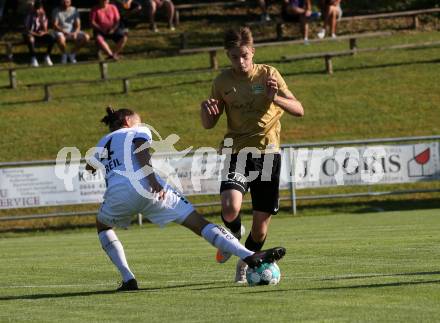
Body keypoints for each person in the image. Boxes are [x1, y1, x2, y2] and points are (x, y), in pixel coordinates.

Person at [86, 107, 286, 291]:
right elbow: (141, 150)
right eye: (138, 121)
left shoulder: (104, 141)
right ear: (128, 121)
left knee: (103, 226)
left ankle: (128, 278)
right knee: (199, 224)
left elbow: (90, 165)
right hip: (148, 187)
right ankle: (250, 255)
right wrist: (151, 180)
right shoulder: (138, 131)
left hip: (117, 194)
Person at [199, 27, 304, 283]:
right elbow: (208, 124)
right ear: (228, 56)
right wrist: (207, 113)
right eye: (234, 57)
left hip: (269, 155)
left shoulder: (269, 74)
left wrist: (275, 98)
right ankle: (232, 237)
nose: (241, 61)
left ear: (253, 51)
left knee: (260, 227)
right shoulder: (222, 82)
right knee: (230, 206)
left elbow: (299, 109)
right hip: (239, 152)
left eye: (244, 55)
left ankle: (244, 264)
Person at [23, 0, 55, 67]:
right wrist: (37, 34)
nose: (38, 11)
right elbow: (27, 30)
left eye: (39, 9)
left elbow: (46, 29)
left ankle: (47, 56)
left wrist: (43, 32)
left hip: (39, 34)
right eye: (36, 9)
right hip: (30, 34)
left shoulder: (43, 15)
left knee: (52, 38)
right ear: (33, 8)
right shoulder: (30, 15)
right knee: (31, 38)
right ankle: (33, 58)